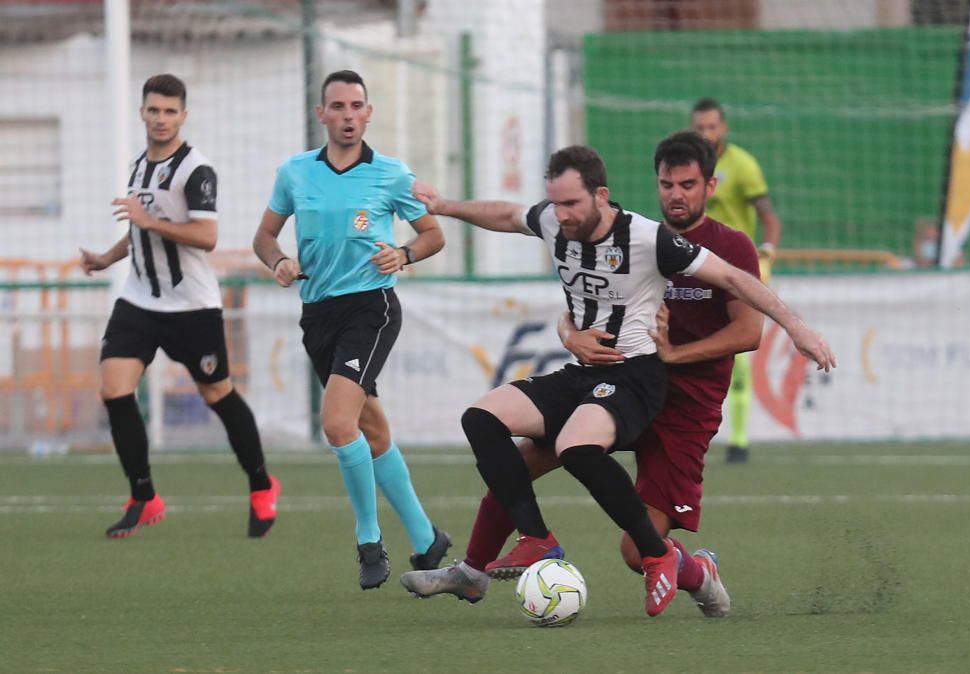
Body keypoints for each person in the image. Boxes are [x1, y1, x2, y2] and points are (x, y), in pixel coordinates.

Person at [402, 138, 835, 617]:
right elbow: (514, 221)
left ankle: (692, 570)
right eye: (666, 184)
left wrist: (794, 328)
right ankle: (479, 567)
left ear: (710, 186)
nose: (675, 194)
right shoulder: (575, 226)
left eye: (687, 185)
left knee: (632, 547)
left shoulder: (682, 244)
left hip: (678, 405)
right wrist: (567, 330)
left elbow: (746, 322)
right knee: (509, 450)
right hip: (605, 383)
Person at [252, 70, 450, 590]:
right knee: (374, 429)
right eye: (336, 106)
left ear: (368, 113)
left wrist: (404, 252)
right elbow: (265, 237)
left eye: (355, 105)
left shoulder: (390, 173)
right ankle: (427, 539)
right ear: (321, 114)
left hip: (372, 307)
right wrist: (278, 262)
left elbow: (433, 234)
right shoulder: (295, 173)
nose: (346, 115)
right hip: (317, 313)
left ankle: (369, 540)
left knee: (339, 424)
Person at [79, 74, 280, 539]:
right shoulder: (138, 167)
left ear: (183, 116)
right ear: (143, 113)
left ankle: (261, 483)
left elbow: (207, 237)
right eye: (154, 110)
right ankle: (144, 495)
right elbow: (140, 231)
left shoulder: (196, 170)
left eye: (170, 111)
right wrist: (105, 258)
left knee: (217, 394)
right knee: (114, 388)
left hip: (191, 307)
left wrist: (150, 219)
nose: (161, 119)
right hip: (139, 300)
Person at [691, 97, 783, 464]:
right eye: (700, 128)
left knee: (738, 355)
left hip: (736, 272)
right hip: (695, 268)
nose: (706, 133)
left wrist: (766, 252)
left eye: (712, 127)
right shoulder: (686, 166)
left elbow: (769, 217)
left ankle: (739, 440)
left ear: (723, 128)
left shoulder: (742, 165)